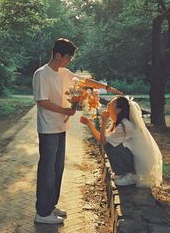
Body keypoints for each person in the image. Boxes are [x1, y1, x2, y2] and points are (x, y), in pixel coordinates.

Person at [32, 37, 121, 225]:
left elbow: (85, 81)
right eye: (67, 59)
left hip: (61, 127)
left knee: (57, 168)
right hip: (48, 128)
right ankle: (42, 212)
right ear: (57, 55)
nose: (68, 62)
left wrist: (105, 87)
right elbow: (42, 101)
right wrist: (66, 110)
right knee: (47, 169)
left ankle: (50, 206)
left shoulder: (64, 72)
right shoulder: (42, 74)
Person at [80, 96, 162, 187]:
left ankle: (131, 175)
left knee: (109, 146)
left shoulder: (124, 125)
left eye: (111, 104)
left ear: (118, 110)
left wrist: (103, 122)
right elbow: (101, 138)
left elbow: (103, 142)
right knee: (109, 144)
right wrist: (89, 124)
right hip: (130, 158)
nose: (108, 104)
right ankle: (124, 173)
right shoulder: (118, 122)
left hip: (134, 162)